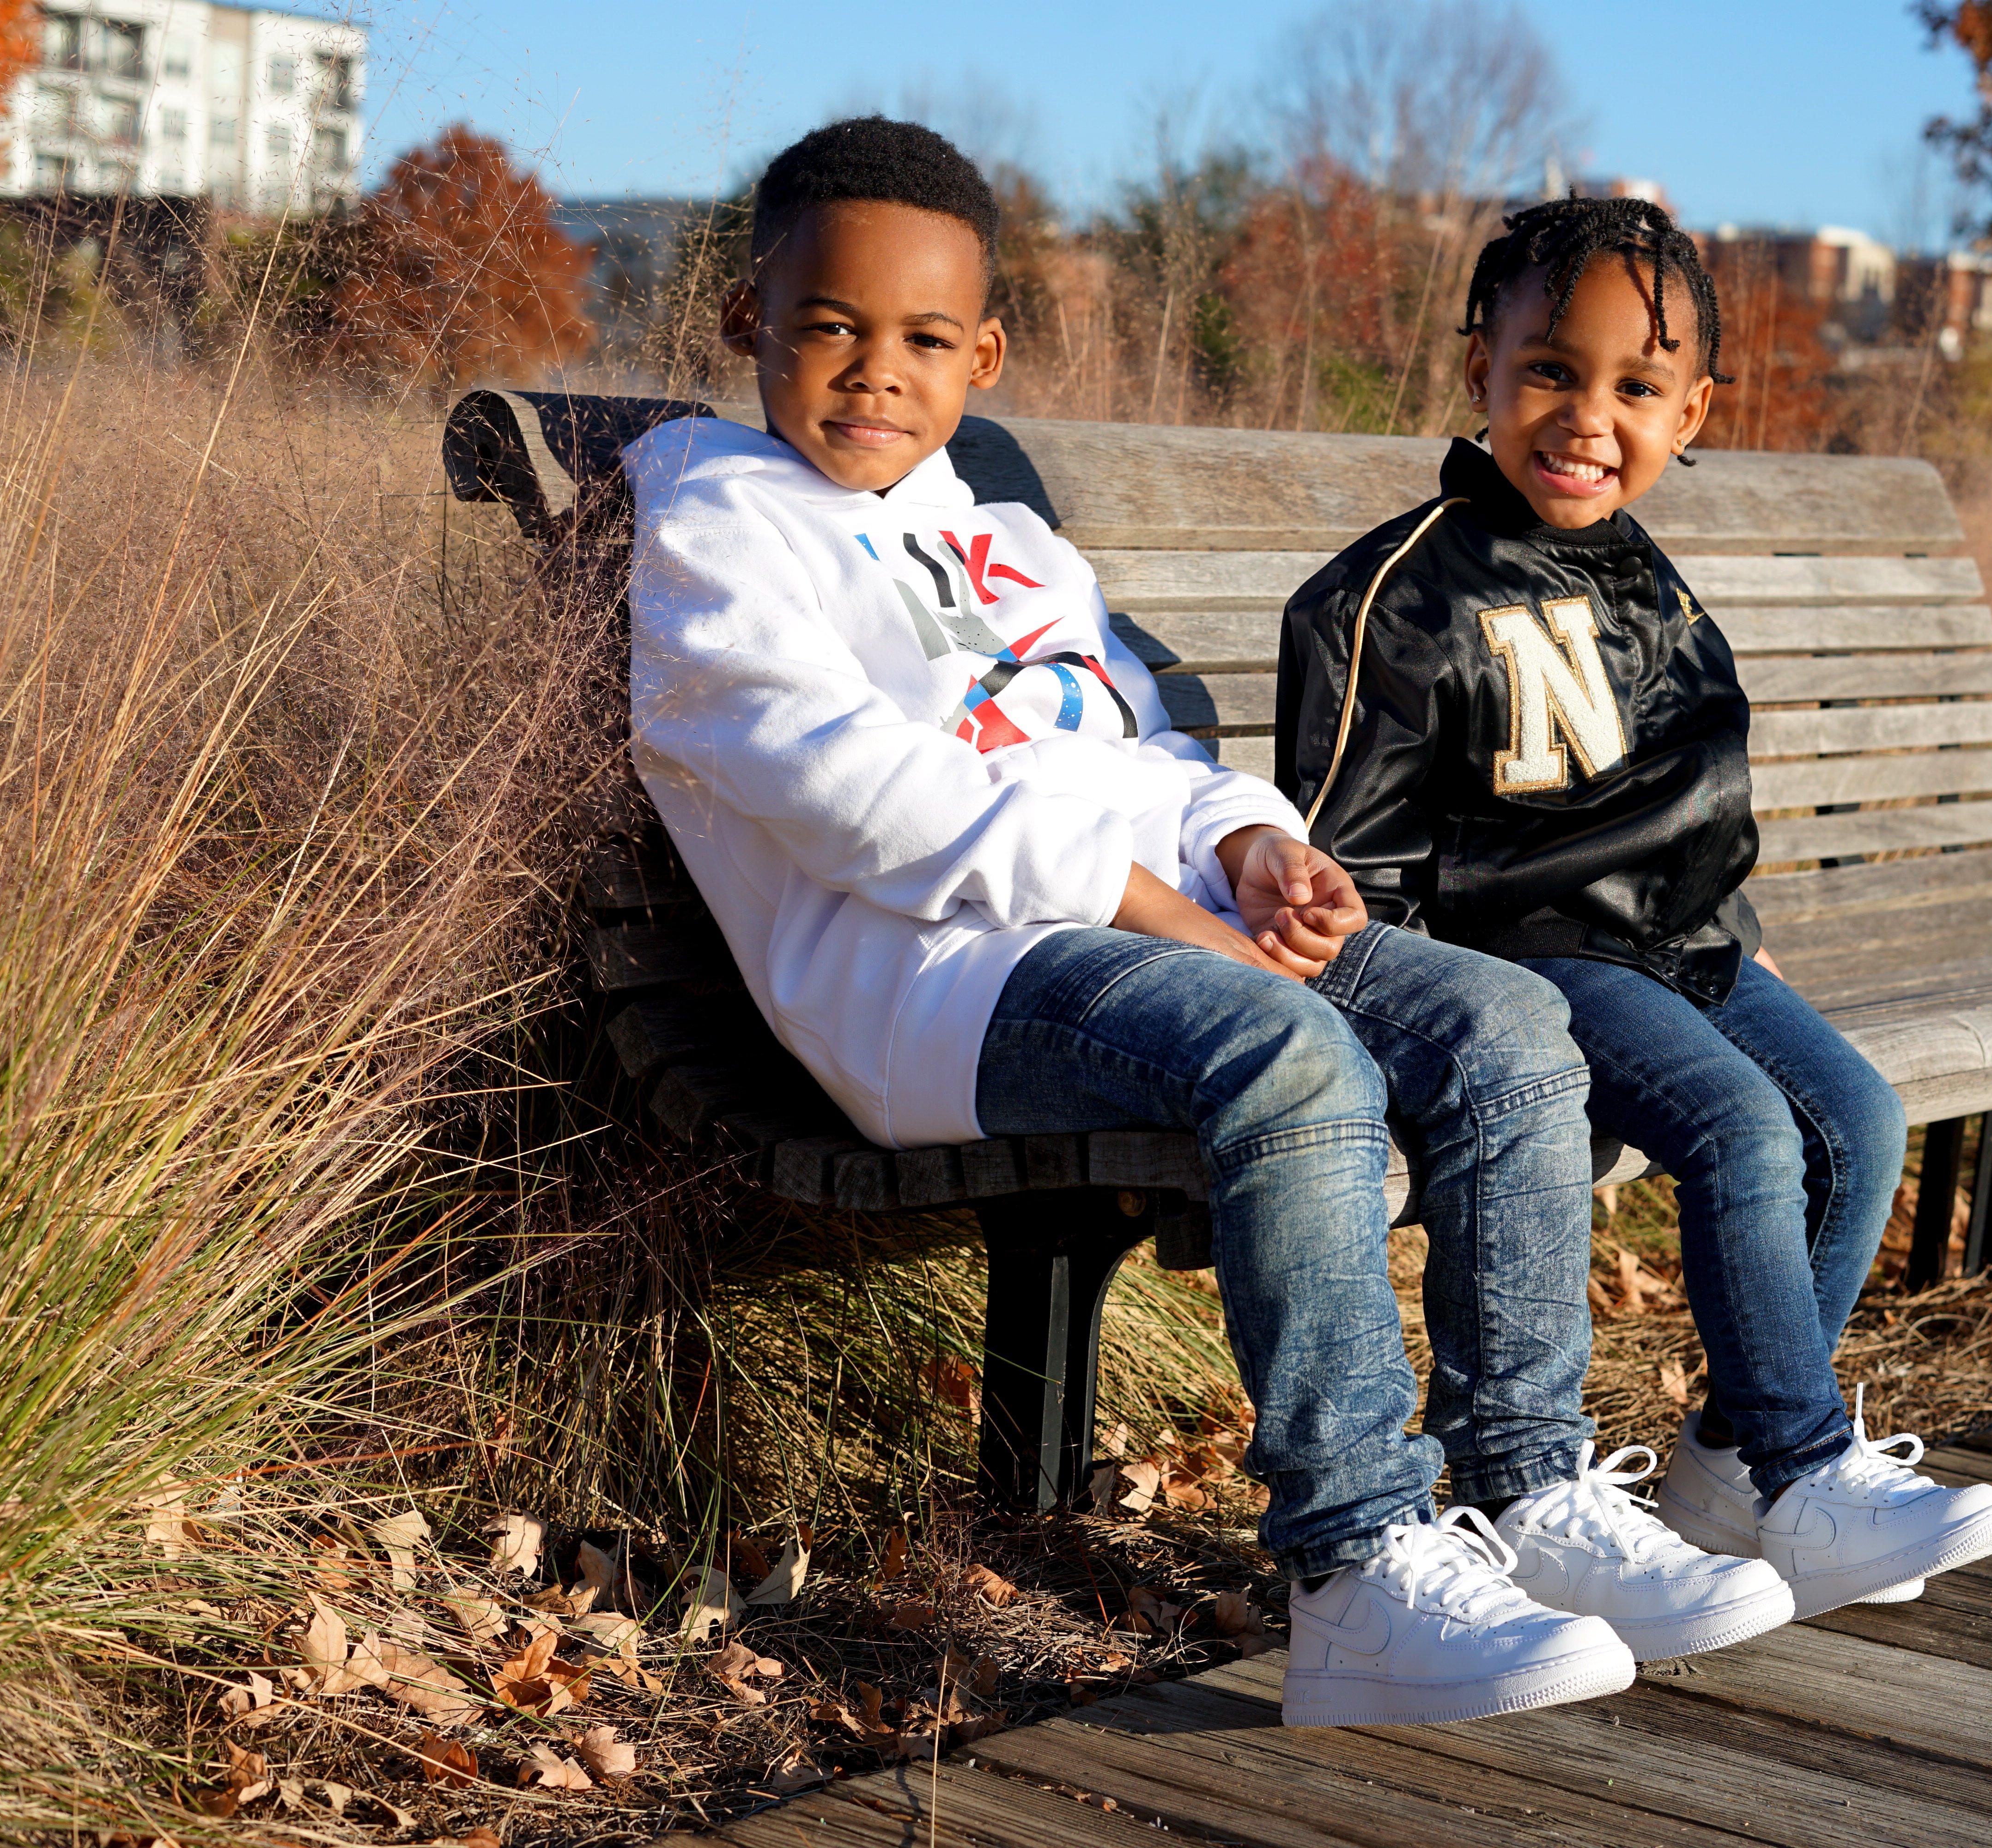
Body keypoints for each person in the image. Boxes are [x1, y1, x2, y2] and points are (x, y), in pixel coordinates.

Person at [621, 119, 1792, 1729]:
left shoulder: (1010, 541)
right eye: (829, 326)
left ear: (987, 354)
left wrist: (1251, 850)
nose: (873, 372)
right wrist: (1165, 912)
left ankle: (1526, 1493)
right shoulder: (713, 525)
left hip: (1143, 928)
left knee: (1508, 1023)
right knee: (1292, 1054)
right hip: (942, 982)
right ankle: (1357, 1567)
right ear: (749, 318)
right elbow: (846, 792)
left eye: (922, 340)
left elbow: (1140, 750)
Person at [1275, 196, 1992, 1619]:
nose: (1586, 417)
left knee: (1854, 1120)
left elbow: (1694, 790)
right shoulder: (1394, 592)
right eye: (1551, 370)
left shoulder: (1646, 580)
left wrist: (1731, 925)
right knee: (1743, 1130)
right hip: (1531, 956)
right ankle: (1808, 1471)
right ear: (1481, 367)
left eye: (1635, 388)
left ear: (1692, 414)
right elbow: (1353, 871)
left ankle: (1736, 1466)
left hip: (1684, 942)